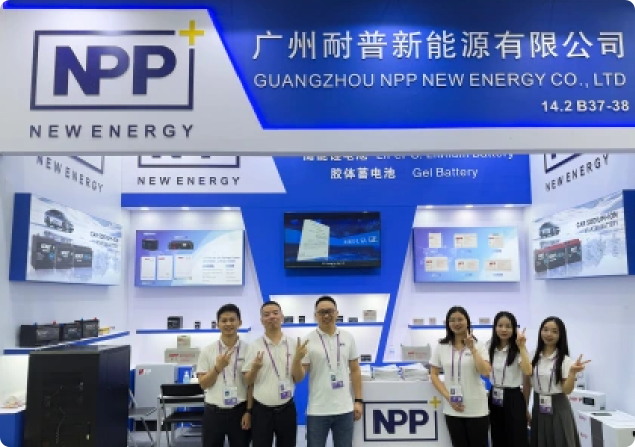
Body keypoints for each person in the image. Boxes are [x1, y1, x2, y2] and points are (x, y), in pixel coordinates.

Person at [293, 295, 363, 447]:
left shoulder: (348, 337)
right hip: (317, 410)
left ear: (337, 313)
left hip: (344, 409)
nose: (326, 316)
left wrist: (358, 400)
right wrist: (297, 359)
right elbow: (299, 377)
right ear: (315, 315)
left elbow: (355, 370)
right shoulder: (308, 340)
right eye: (322, 312)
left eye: (330, 311)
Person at [243, 301, 304, 447]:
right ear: (261, 320)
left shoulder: (293, 344)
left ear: (282, 316)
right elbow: (247, 381)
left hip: (287, 408)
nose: (271, 317)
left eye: (275, 313)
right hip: (261, 410)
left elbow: (298, 378)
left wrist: (297, 360)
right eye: (267, 314)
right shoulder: (254, 346)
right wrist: (255, 368)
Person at [429, 306, 491, 447]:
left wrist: (472, 349)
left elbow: (485, 372)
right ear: (448, 323)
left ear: (467, 321)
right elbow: (433, 374)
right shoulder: (441, 346)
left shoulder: (479, 345)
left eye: (460, 319)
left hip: (476, 407)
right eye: (452, 320)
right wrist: (449, 397)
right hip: (452, 408)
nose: (456, 323)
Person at [526, 316, 590, 447]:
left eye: (554, 331)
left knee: (561, 441)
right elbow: (527, 383)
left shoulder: (566, 360)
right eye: (545, 329)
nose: (549, 334)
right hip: (538, 406)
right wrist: (525, 408)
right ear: (540, 331)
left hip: (559, 408)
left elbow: (567, 390)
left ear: (561, 335)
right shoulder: (532, 356)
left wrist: (572, 373)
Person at [196, 303, 251, 447]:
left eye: (232, 320)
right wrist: (217, 368)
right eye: (224, 320)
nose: (228, 324)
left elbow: (251, 385)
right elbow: (203, 384)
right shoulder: (207, 351)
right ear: (218, 324)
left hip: (239, 411)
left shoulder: (249, 350)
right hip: (213, 412)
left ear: (240, 322)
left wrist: (248, 411)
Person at [487, 311, 532, 447]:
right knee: (497, 436)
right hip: (494, 395)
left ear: (514, 329)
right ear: (495, 328)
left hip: (513, 397)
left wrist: (522, 347)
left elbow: (528, 371)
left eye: (508, 326)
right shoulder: (489, 346)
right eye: (500, 325)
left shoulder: (518, 348)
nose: (504, 329)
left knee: (516, 438)